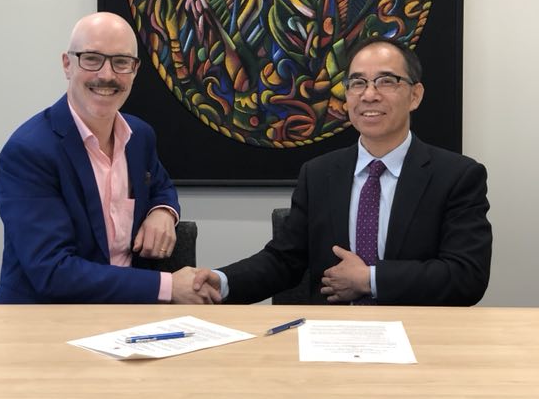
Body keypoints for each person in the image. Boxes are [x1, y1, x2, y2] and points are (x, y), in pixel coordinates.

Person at [194, 37, 492, 306]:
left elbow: (466, 276)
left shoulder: (457, 177)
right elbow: (284, 261)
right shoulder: (319, 173)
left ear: (415, 95)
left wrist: (370, 279)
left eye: (386, 81)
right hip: (330, 335)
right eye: (357, 83)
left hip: (417, 336)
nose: (369, 95)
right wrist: (222, 282)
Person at [0, 12, 218, 304]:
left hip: (127, 311)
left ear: (135, 70)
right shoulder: (29, 152)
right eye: (92, 59)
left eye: (121, 62)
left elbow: (161, 185)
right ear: (67, 64)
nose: (107, 75)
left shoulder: (139, 136)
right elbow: (53, 272)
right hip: (44, 316)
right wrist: (169, 286)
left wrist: (163, 211)